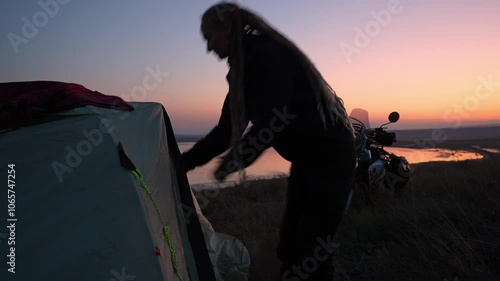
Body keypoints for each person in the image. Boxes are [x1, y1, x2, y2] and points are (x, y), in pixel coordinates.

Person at [181, 1, 357, 280]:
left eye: (209, 37)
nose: (208, 47)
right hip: (307, 160)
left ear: (226, 27)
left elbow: (275, 120)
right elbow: (227, 130)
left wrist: (235, 160)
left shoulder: (268, 54)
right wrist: (183, 163)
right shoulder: (242, 69)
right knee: (289, 244)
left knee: (311, 250)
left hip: (331, 158)